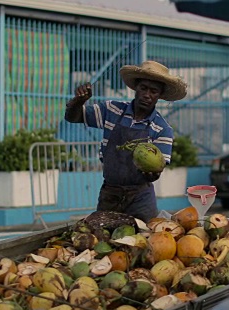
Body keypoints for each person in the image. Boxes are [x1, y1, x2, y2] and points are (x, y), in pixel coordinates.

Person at [64, 60, 188, 222]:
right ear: (136, 87)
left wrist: (151, 172)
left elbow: (157, 170)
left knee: (146, 241)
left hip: (141, 199)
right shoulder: (111, 110)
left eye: (153, 91)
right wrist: (78, 101)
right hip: (110, 195)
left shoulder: (162, 129)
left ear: (160, 95)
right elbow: (73, 117)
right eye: (143, 88)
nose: (147, 95)